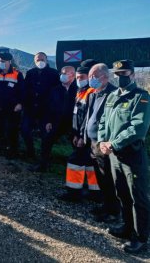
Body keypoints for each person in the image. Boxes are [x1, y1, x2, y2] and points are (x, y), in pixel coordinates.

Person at [98, 60, 150, 254]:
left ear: (133, 75)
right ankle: (127, 227)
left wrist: (114, 143)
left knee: (138, 198)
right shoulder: (112, 96)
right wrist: (103, 140)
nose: (120, 78)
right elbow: (103, 120)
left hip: (132, 156)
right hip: (114, 156)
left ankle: (140, 237)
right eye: (117, 74)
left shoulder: (141, 97)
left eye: (124, 74)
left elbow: (138, 127)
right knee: (122, 194)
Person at [84, 63, 120, 223]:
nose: (90, 79)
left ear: (105, 77)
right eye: (90, 76)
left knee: (109, 179)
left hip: (104, 144)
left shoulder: (114, 94)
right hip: (92, 142)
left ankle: (113, 211)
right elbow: (89, 116)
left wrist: (107, 142)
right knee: (100, 177)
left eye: (94, 76)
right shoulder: (93, 93)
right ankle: (105, 205)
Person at [61, 60, 99, 202]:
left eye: (80, 77)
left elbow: (89, 117)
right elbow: (77, 115)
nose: (78, 80)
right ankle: (93, 193)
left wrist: (82, 136)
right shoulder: (81, 91)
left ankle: (74, 193)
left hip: (87, 137)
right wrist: (75, 134)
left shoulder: (92, 92)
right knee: (89, 164)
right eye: (77, 78)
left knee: (76, 161)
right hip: (79, 134)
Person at [37, 66, 77, 172]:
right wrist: (48, 121)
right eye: (61, 73)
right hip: (56, 121)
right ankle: (43, 165)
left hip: (73, 122)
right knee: (47, 140)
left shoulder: (78, 90)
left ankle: (78, 170)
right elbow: (48, 106)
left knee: (77, 145)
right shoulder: (55, 90)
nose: (62, 75)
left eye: (65, 73)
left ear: (72, 75)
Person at [22, 52, 60, 160]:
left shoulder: (54, 74)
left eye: (42, 59)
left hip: (45, 111)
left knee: (46, 135)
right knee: (25, 130)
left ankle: (44, 159)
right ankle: (30, 153)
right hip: (30, 109)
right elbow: (26, 90)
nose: (40, 62)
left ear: (46, 60)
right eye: (38, 60)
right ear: (34, 61)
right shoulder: (30, 73)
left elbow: (56, 92)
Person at [0, 52, 24, 158]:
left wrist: (20, 103)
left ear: (9, 62)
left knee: (12, 129)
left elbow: (22, 90)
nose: (1, 63)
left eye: (3, 61)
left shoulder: (17, 74)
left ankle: (13, 151)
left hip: (13, 107)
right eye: (0, 61)